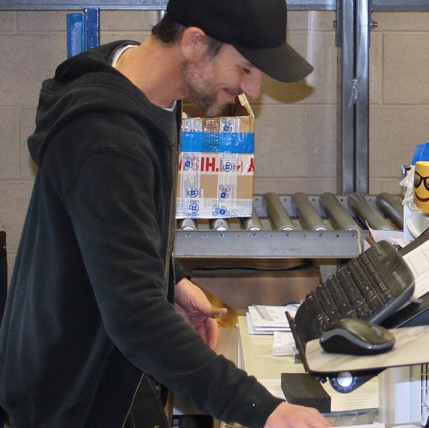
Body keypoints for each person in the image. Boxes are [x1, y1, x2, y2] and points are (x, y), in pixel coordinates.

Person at [0, 0, 332, 427]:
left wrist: (169, 278)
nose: (254, 90)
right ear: (195, 42)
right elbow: (136, 316)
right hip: (73, 389)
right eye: (246, 68)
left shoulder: (141, 88)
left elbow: (110, 227)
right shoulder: (108, 140)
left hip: (109, 358)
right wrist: (263, 410)